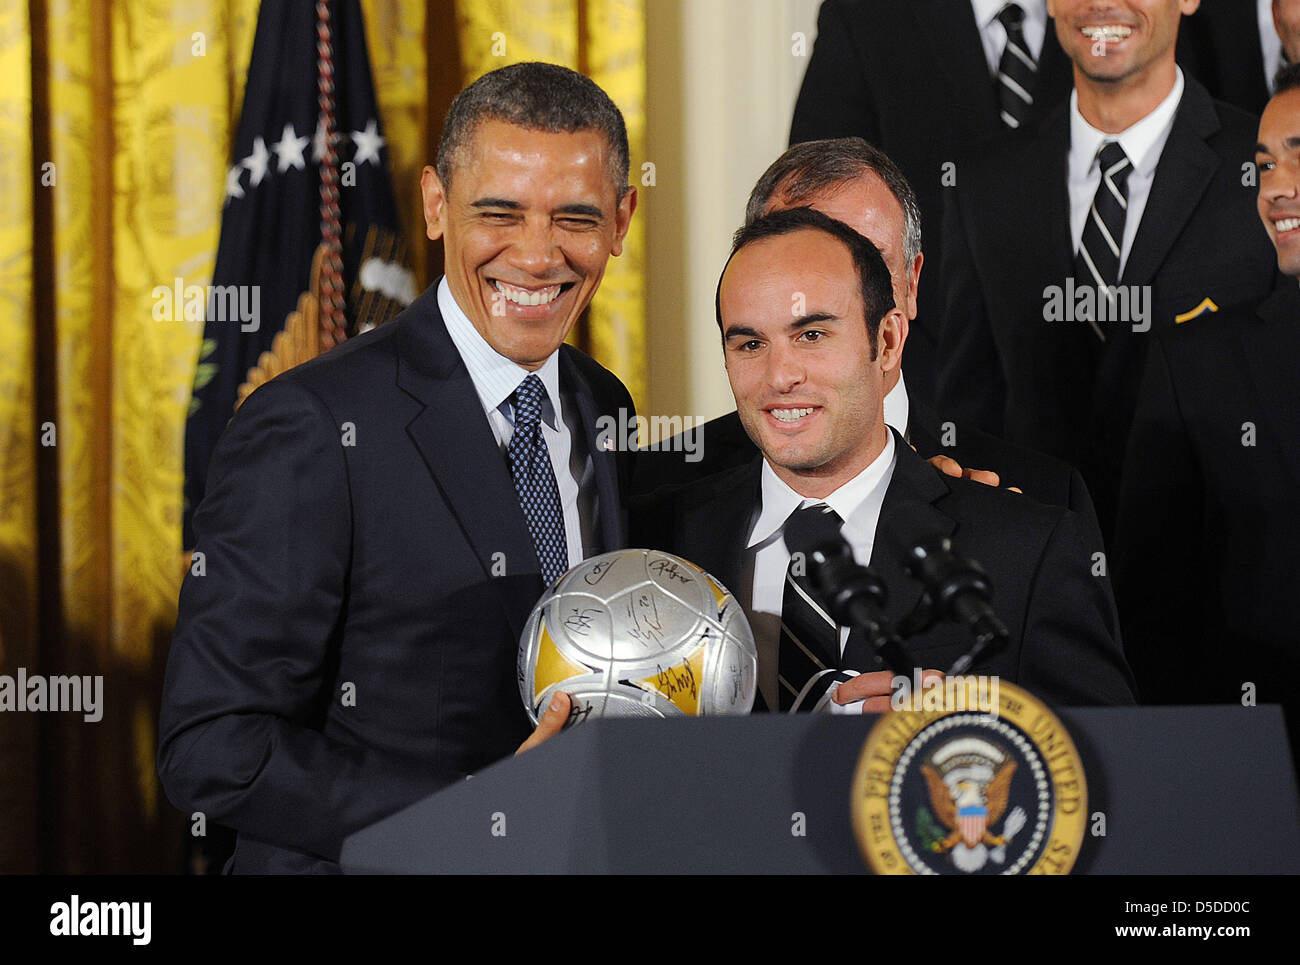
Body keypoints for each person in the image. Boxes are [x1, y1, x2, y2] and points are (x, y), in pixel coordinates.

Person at [157, 63, 638, 873]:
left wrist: (907, 474)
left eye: (575, 218)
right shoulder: (309, 425)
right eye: (500, 213)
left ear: (622, 220)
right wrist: (478, 817)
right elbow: (212, 744)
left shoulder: (604, 403)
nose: (537, 253)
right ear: (435, 205)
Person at [634, 207, 1136, 714]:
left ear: (888, 341)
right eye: (750, 343)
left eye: (812, 335)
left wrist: (970, 737)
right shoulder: (657, 540)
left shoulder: (1031, 549)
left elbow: (1114, 765)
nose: (779, 376)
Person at [633, 137, 1104, 558]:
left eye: (867, 261)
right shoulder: (658, 498)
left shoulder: (1035, 499)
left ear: (911, 285)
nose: (827, 284)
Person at [937, 0, 1278, 541]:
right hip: (1036, 584)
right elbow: (968, 413)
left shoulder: (1264, 173)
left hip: (1221, 580)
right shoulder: (984, 183)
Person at [1114, 62, 1300, 765]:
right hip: (1264, 776)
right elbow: (1151, 615)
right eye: (1263, 164)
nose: (1275, 187)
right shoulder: (1197, 365)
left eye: (1298, 155)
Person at [789, 1, 1076, 408]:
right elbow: (814, 207)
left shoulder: (1145, 15)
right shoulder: (864, 13)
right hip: (926, 379)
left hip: (1105, 379)